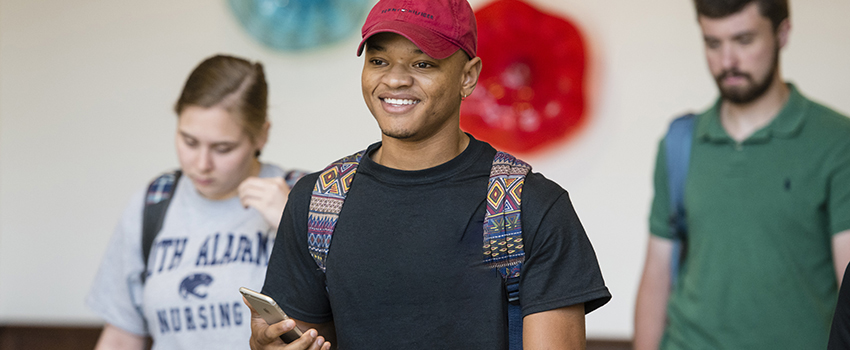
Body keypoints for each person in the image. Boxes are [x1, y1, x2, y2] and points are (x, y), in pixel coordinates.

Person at [246, 0, 611, 349]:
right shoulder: (319, 201)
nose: (395, 80)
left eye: (422, 65)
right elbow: (303, 338)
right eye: (378, 60)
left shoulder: (530, 206)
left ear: (468, 77)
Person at [634, 1, 850, 349]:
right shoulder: (679, 143)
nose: (727, 61)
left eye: (744, 40)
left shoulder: (838, 142)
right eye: (713, 43)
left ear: (782, 34)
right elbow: (657, 275)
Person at [87, 54, 305, 349]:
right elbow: (122, 335)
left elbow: (353, 309)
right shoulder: (153, 202)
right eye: (189, 141)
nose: (202, 164)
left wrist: (292, 225)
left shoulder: (304, 196)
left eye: (223, 148)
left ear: (261, 136)